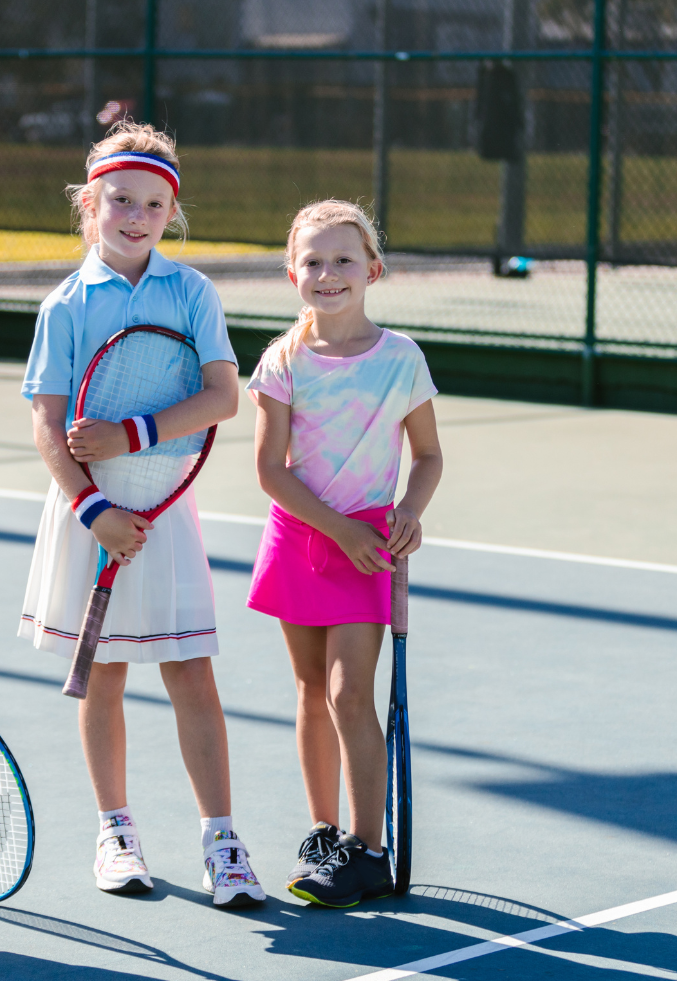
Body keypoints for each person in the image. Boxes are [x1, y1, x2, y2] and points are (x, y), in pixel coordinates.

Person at [18, 121, 265, 907]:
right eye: (120, 199)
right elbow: (48, 427)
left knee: (192, 671)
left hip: (164, 514)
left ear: (171, 212)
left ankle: (222, 839)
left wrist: (134, 433)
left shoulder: (191, 291)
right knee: (104, 676)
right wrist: (94, 509)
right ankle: (115, 832)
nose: (136, 215)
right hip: (90, 515)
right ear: (89, 202)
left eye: (154, 204)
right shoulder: (63, 306)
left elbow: (226, 395)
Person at [246, 200, 443, 908]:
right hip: (302, 536)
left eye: (343, 260)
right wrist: (337, 528)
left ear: (373, 270)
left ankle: (368, 849)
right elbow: (270, 470)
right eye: (313, 261)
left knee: (347, 692)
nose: (327, 274)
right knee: (308, 691)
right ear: (292, 271)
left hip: (365, 548)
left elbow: (426, 456)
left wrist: (408, 511)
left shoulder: (401, 358)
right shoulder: (283, 360)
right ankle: (324, 829)